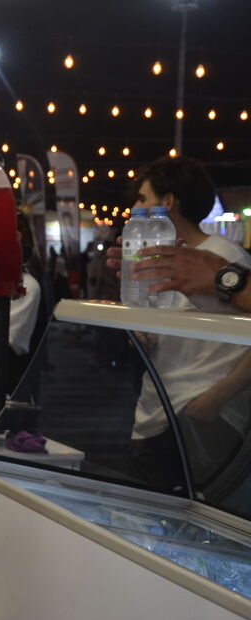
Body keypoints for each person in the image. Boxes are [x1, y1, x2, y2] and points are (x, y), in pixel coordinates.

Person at [118, 158, 251, 492]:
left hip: (196, 411)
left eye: (143, 198)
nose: (135, 207)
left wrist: (218, 397)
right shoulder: (162, 261)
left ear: (168, 202)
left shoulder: (221, 258)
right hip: (156, 406)